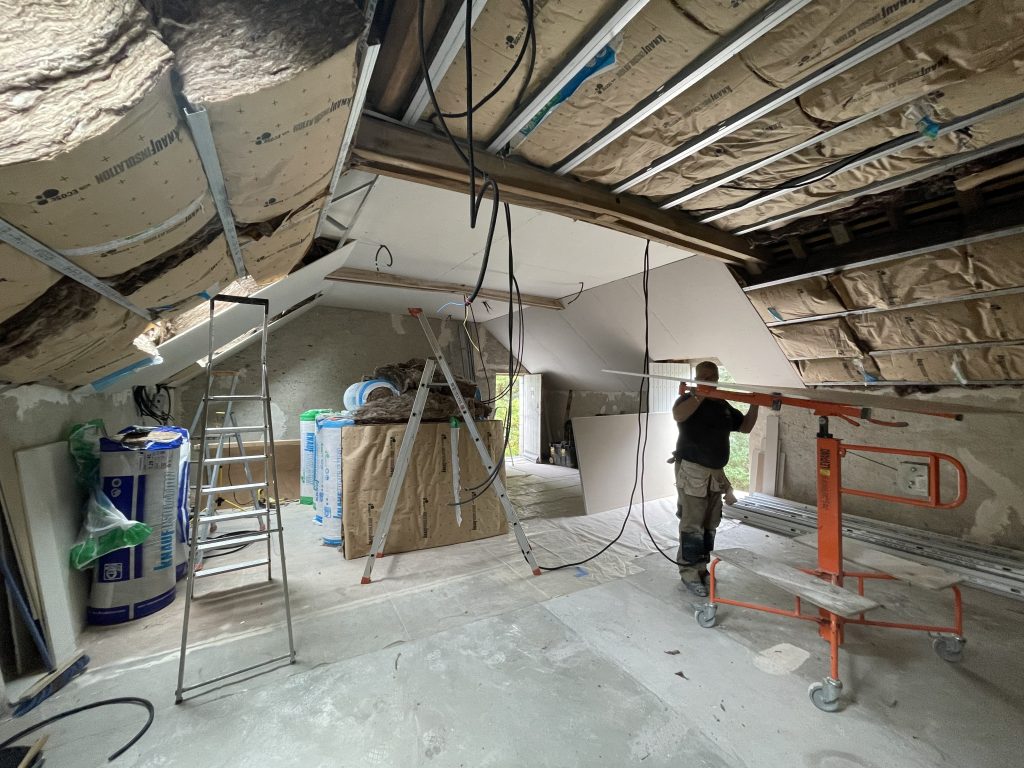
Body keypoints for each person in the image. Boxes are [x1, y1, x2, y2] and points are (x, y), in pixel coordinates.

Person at [672, 361, 758, 596]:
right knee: (692, 525)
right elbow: (678, 415)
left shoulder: (722, 405)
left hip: (715, 475)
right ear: (697, 377)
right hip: (693, 473)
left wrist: (756, 404)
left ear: (718, 378)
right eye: (704, 376)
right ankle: (689, 574)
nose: (709, 379)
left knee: (710, 525)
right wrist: (699, 394)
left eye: (713, 376)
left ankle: (701, 569)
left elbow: (745, 427)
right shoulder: (688, 400)